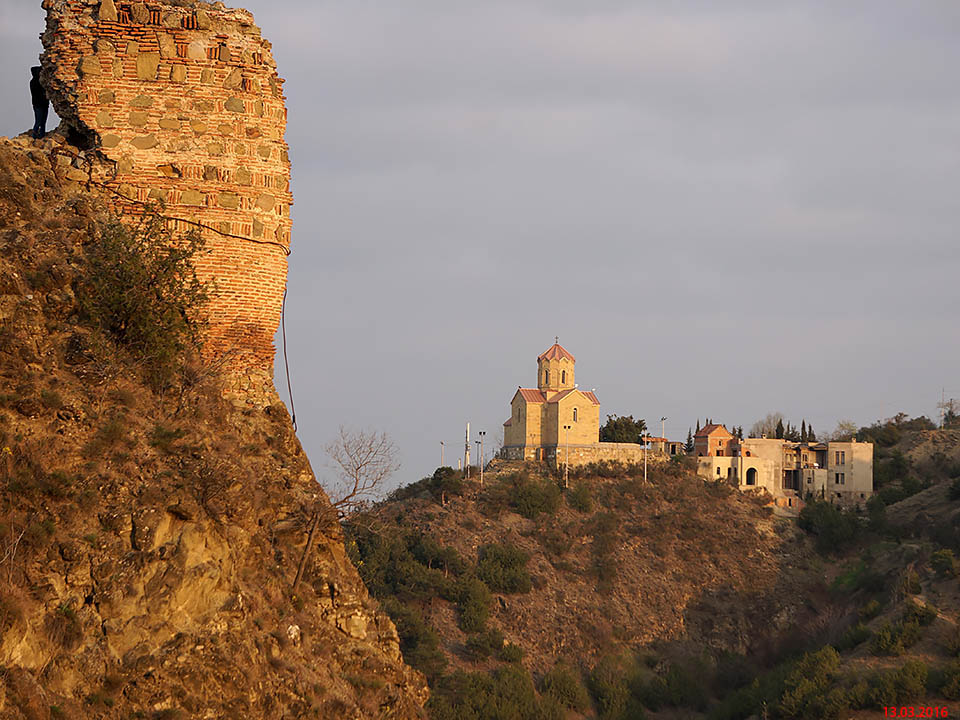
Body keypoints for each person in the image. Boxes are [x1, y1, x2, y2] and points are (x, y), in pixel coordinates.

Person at [30, 66, 48, 139]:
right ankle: (34, 136)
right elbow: (39, 93)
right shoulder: (34, 82)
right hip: (38, 105)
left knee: (42, 122)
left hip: (43, 104)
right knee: (39, 122)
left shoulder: (40, 81)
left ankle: (41, 136)